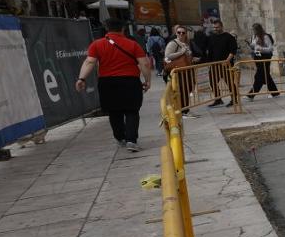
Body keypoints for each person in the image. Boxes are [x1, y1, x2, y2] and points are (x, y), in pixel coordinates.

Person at [75, 19, 151, 152]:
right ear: (123, 29)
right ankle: (131, 141)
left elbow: (89, 62)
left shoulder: (96, 45)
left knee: (114, 111)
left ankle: (120, 138)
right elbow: (144, 64)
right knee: (132, 111)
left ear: (106, 29)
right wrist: (147, 80)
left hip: (107, 83)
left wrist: (82, 78)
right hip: (130, 81)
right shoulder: (132, 44)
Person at [205, 19, 239, 107]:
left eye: (217, 27)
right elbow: (210, 51)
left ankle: (234, 99)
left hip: (226, 64)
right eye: (214, 27)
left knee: (230, 82)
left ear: (221, 27)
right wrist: (209, 63)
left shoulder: (228, 37)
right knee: (213, 82)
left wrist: (227, 60)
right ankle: (218, 99)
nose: (215, 29)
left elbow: (233, 50)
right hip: (214, 65)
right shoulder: (212, 37)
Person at [164, 26, 195, 112]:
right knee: (181, 90)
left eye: (183, 32)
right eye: (179, 32)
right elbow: (167, 56)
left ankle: (185, 109)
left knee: (187, 90)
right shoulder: (173, 43)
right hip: (178, 71)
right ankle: (182, 110)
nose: (181, 34)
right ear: (176, 33)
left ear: (186, 34)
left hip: (186, 71)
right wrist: (181, 52)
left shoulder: (186, 43)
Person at [246, 23, 279, 100]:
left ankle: (251, 94)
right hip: (257, 57)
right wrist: (250, 45)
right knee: (265, 75)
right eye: (253, 30)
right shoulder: (254, 37)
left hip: (265, 58)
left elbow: (270, 49)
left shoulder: (265, 36)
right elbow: (254, 47)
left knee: (259, 76)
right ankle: (275, 92)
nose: (254, 31)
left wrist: (261, 49)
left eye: (255, 30)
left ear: (259, 29)